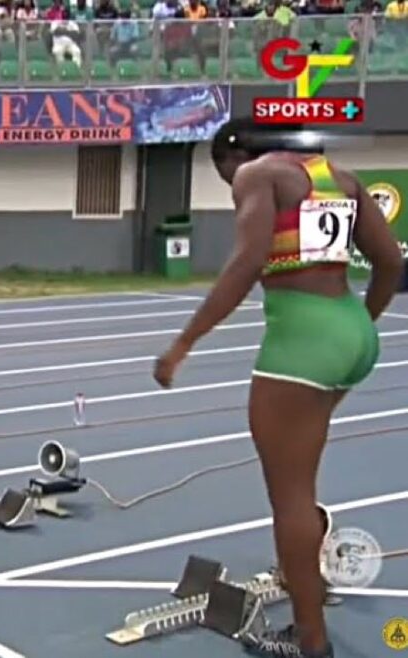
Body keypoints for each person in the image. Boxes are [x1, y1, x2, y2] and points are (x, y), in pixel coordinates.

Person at [153, 118, 403, 658]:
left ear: (229, 158)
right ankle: (306, 579)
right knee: (300, 478)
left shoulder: (255, 173)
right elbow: (391, 262)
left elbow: (245, 263)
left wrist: (183, 343)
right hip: (350, 331)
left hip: (301, 343)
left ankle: (310, 640)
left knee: (289, 498)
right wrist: (359, 326)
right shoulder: (341, 178)